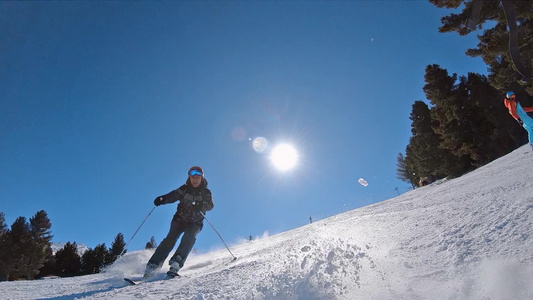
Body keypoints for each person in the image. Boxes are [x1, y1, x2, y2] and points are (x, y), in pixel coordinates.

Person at [143, 166, 214, 278]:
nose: (195, 180)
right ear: (189, 177)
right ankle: (153, 266)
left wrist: (203, 205)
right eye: (192, 177)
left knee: (189, 237)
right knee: (170, 240)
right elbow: (172, 196)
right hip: (179, 220)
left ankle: (176, 263)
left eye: (198, 177)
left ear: (202, 178)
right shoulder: (184, 189)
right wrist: (162, 199)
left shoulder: (206, 192)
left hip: (195, 222)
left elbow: (210, 205)